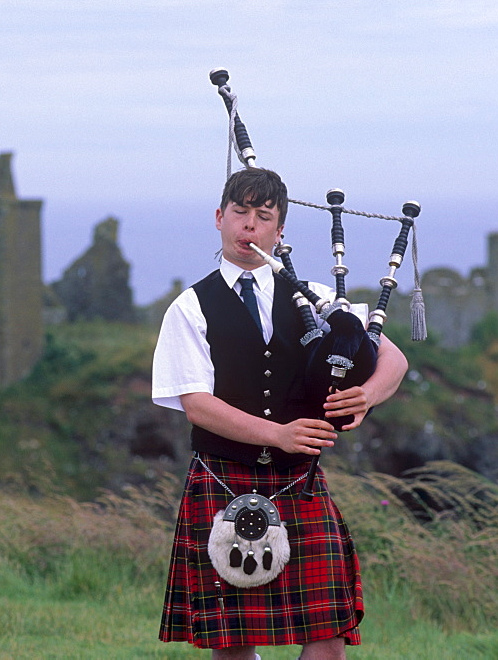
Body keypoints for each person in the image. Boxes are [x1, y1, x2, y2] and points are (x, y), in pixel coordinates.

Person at [153, 167, 408, 660]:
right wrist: (279, 433)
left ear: (280, 229)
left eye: (263, 216)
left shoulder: (316, 299)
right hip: (221, 479)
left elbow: (391, 357)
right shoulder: (190, 307)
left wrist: (367, 394)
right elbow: (197, 405)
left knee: (328, 637)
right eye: (240, 213)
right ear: (219, 218)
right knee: (232, 643)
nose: (249, 225)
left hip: (299, 483)